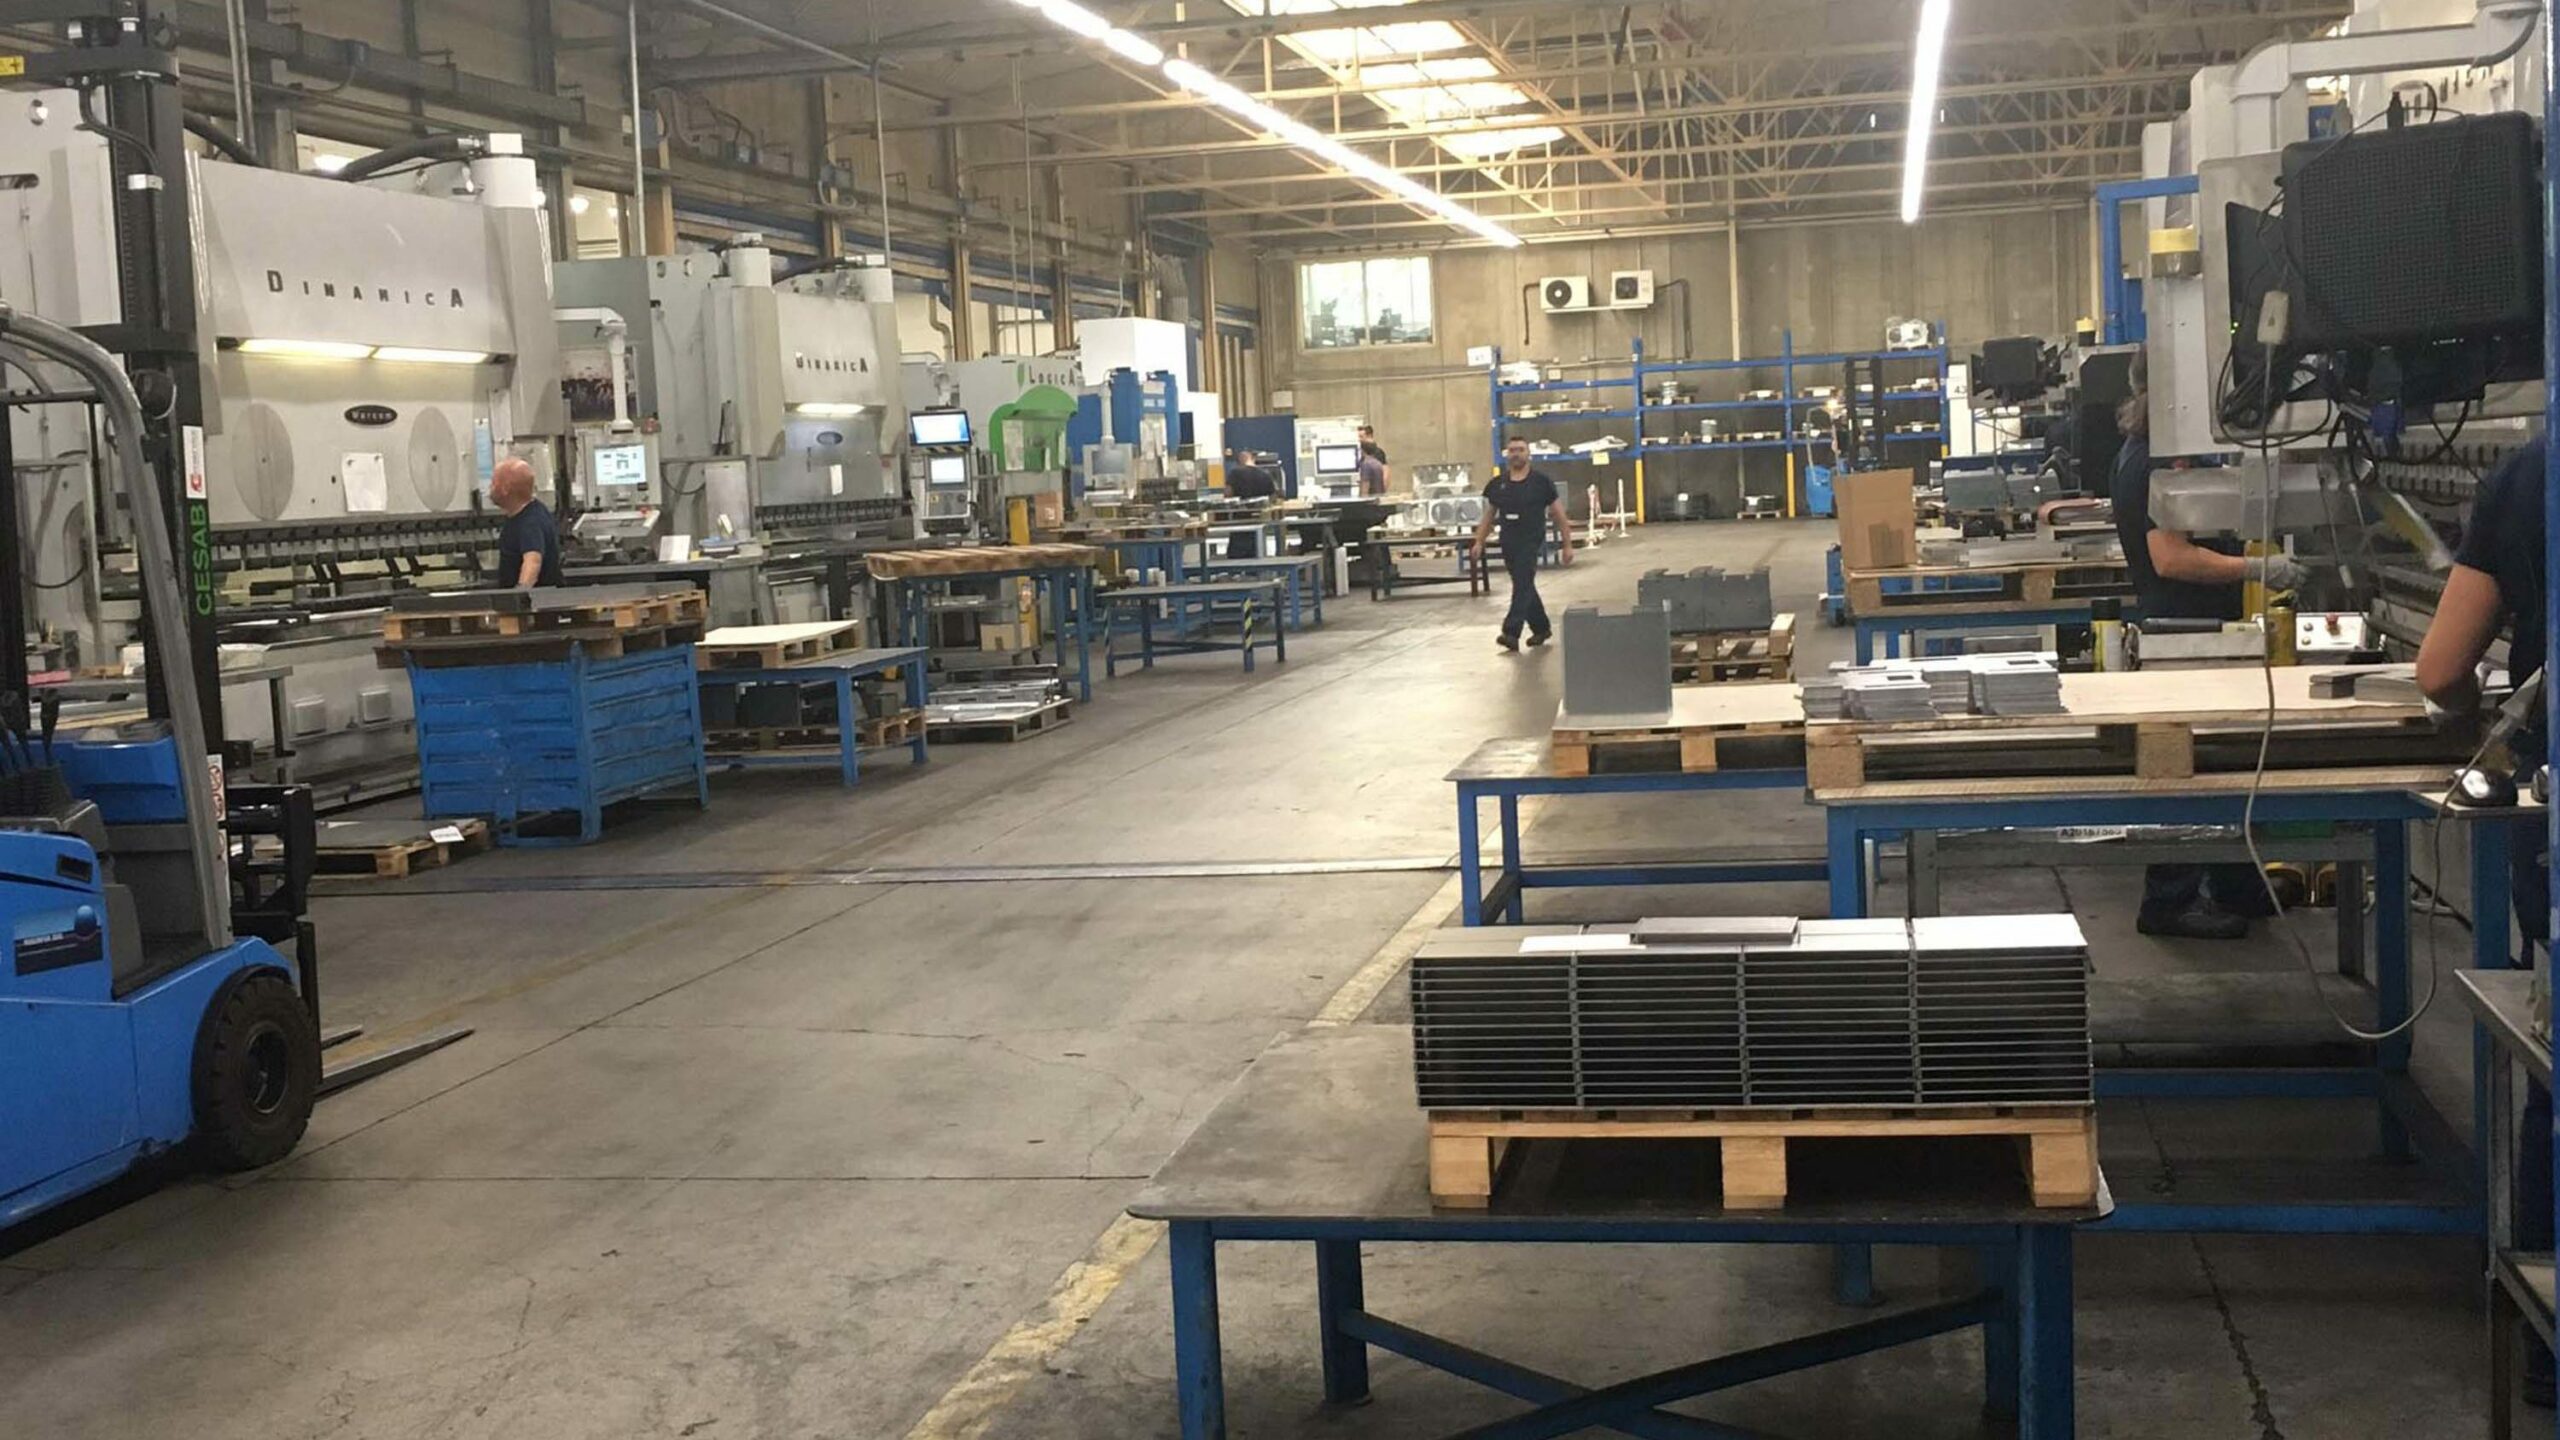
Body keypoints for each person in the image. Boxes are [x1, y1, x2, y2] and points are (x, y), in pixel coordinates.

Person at [2416, 434, 2551, 1407]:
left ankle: (2548, 1349)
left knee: (2553, 1063)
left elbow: (2437, 668)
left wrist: (2473, 724)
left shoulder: (2533, 471)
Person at [2110, 350, 2307, 939]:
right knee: (2184, 772)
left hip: (2202, 629)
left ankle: (2236, 884)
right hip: (2180, 633)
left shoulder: (2154, 449)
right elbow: (2170, 558)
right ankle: (2168, 901)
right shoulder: (2155, 459)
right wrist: (2257, 568)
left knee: (2227, 761)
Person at [1470, 437, 1574, 653]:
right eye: (1512, 450)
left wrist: (1567, 545)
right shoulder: (1498, 485)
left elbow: (1559, 514)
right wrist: (1479, 541)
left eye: (1520, 450)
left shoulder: (1541, 483)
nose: (1516, 454)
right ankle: (1541, 628)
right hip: (1509, 541)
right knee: (1524, 584)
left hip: (1531, 540)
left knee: (1522, 583)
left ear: (1528, 454)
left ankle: (1511, 632)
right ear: (1507, 455)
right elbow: (1489, 516)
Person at [491, 455, 562, 588]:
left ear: (505, 489)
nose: (490, 488)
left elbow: (533, 561)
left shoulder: (530, 522)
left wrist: (520, 594)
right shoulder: (532, 511)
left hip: (538, 599)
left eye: (494, 483)